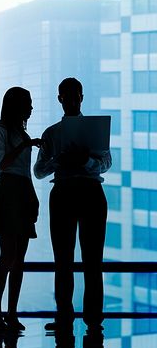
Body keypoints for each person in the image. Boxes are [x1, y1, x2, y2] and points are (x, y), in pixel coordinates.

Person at [33, 78, 112, 330]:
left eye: (74, 96)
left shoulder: (58, 133)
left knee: (90, 260)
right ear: (60, 99)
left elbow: (107, 162)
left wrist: (84, 161)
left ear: (81, 97)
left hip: (81, 193)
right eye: (67, 96)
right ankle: (77, 317)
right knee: (65, 260)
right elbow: (38, 171)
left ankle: (81, 317)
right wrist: (61, 161)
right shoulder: (52, 134)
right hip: (73, 193)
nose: (71, 100)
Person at [0, 88, 41, 333]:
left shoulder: (20, 133)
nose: (31, 108)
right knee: (8, 255)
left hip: (20, 189)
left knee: (18, 259)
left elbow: (25, 171)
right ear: (16, 106)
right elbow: (3, 164)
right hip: (9, 190)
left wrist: (32, 195)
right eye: (28, 104)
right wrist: (25, 145)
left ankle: (11, 312)